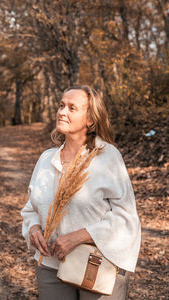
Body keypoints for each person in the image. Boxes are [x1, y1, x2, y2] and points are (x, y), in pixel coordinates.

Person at [21, 85, 141, 300]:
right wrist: (34, 228)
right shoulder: (47, 159)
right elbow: (31, 207)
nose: (62, 112)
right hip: (50, 264)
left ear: (91, 120)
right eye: (61, 106)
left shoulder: (107, 158)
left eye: (72, 108)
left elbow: (126, 217)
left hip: (96, 263)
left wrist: (80, 237)